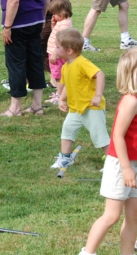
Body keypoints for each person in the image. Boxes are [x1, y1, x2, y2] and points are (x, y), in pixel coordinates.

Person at [79, 46, 137, 255]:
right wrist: (126, 168)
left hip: (134, 164)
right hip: (120, 165)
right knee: (112, 215)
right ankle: (87, 252)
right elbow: (117, 135)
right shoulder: (130, 101)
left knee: (134, 214)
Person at [50, 28, 109, 170]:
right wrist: (62, 99)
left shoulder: (82, 63)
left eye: (58, 47)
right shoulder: (66, 66)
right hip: (76, 108)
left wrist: (97, 96)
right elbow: (68, 86)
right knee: (67, 130)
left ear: (69, 50)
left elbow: (99, 75)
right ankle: (65, 158)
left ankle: (114, 162)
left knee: (99, 137)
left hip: (91, 107)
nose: (55, 50)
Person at [45, 0, 73, 107]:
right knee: (58, 75)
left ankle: (60, 95)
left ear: (61, 13)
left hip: (56, 54)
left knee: (58, 76)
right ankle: (59, 93)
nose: (53, 16)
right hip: (54, 52)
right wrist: (53, 25)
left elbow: (61, 41)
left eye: (54, 14)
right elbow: (56, 34)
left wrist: (55, 54)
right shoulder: (63, 22)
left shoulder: (64, 24)